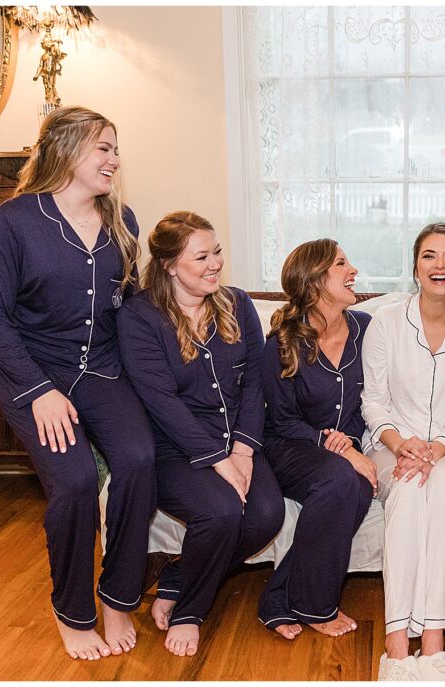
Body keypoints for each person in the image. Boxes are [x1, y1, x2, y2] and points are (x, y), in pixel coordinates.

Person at [0, 106, 155, 661]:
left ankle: (119, 595)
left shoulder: (123, 220)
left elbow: (127, 307)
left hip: (101, 367)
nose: (114, 159)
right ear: (68, 149)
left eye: (116, 148)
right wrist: (40, 393)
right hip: (30, 373)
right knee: (76, 480)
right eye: (104, 147)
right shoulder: (13, 221)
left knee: (138, 458)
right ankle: (73, 611)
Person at [116, 211, 284, 658]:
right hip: (173, 450)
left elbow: (254, 383)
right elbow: (162, 402)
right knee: (222, 511)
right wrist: (218, 459)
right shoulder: (140, 317)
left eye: (217, 252)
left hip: (238, 440)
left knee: (267, 514)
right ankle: (191, 610)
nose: (215, 264)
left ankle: (176, 576)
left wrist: (244, 450)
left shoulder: (237, 303)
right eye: (201, 257)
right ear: (170, 265)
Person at [362, 223, 445, 682]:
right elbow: (372, 400)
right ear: (415, 267)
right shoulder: (385, 322)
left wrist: (436, 449)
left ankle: (435, 645)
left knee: (441, 491)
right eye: (430, 256)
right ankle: (397, 648)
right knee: (404, 490)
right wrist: (400, 444)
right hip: (389, 445)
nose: (440, 265)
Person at [257, 239, 376, 640]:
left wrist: (352, 444)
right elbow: (281, 419)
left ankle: (278, 597)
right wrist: (333, 445)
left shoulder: (368, 331)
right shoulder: (282, 344)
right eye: (342, 263)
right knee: (343, 479)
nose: (353, 270)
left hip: (342, 452)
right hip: (290, 446)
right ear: (314, 282)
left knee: (357, 484)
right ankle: (316, 606)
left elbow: (377, 398)